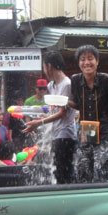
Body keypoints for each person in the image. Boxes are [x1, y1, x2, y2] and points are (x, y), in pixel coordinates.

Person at [69, 45, 108, 183]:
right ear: (79, 63)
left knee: (101, 169)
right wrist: (64, 103)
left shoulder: (105, 79)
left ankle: (102, 198)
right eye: (82, 59)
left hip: (105, 130)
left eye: (90, 58)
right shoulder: (75, 80)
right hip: (86, 129)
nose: (86, 62)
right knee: (82, 169)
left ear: (97, 61)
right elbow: (77, 104)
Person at [24, 51, 77, 184]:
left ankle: (66, 198)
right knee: (55, 170)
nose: (44, 70)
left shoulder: (67, 84)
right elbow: (54, 110)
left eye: (44, 66)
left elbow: (62, 113)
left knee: (63, 172)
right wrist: (45, 116)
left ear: (49, 66)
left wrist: (39, 122)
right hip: (55, 133)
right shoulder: (51, 85)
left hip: (66, 134)